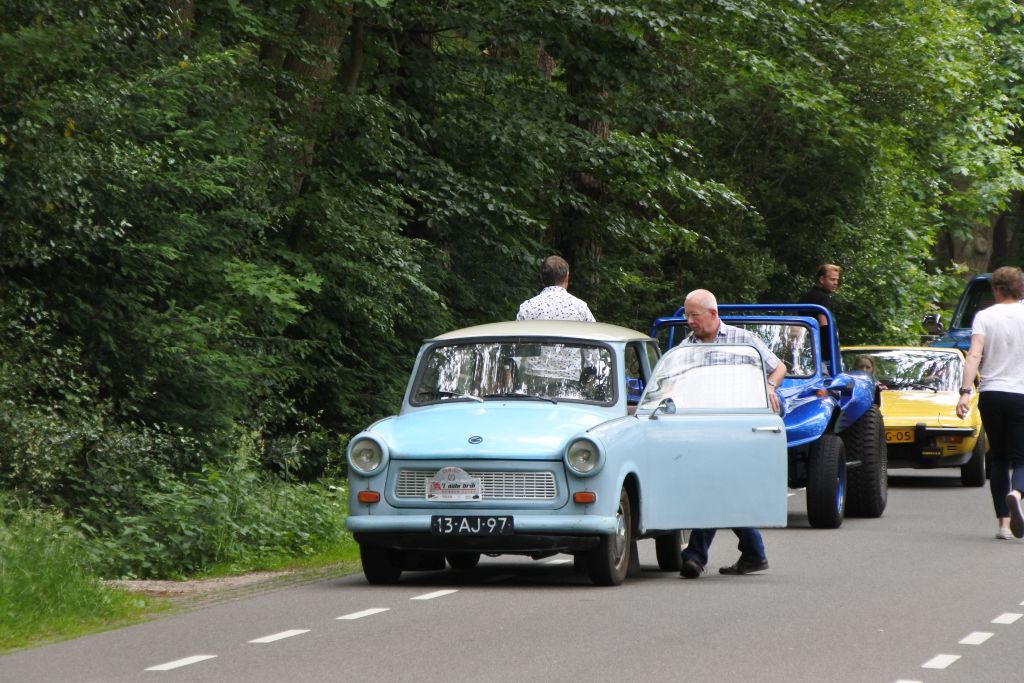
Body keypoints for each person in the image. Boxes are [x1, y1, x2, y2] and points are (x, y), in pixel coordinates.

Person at [678, 289, 787, 579]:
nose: (689, 321)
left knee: (716, 484)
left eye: (694, 315)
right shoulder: (685, 348)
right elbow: (676, 385)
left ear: (713, 314)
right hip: (707, 427)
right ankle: (753, 553)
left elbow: (778, 367)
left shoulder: (744, 340)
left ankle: (696, 556)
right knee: (722, 486)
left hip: (741, 427)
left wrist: (769, 387)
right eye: (686, 315)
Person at [955, 266, 1024, 541]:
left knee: (999, 458)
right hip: (1021, 394)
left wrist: (964, 392)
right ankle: (1017, 493)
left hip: (992, 393)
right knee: (1022, 457)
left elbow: (973, 356)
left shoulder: (984, 316)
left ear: (996, 289)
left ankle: (1003, 526)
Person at [517, 255, 595, 321]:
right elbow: (593, 334)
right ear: (566, 276)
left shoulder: (527, 308)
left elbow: (517, 337)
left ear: (541, 277)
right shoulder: (580, 308)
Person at [798, 264, 841, 366]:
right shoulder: (823, 299)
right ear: (822, 279)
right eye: (832, 280)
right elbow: (824, 327)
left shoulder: (806, 297)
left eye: (837, 280)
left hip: (802, 348)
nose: (836, 283)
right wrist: (830, 354)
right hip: (818, 353)